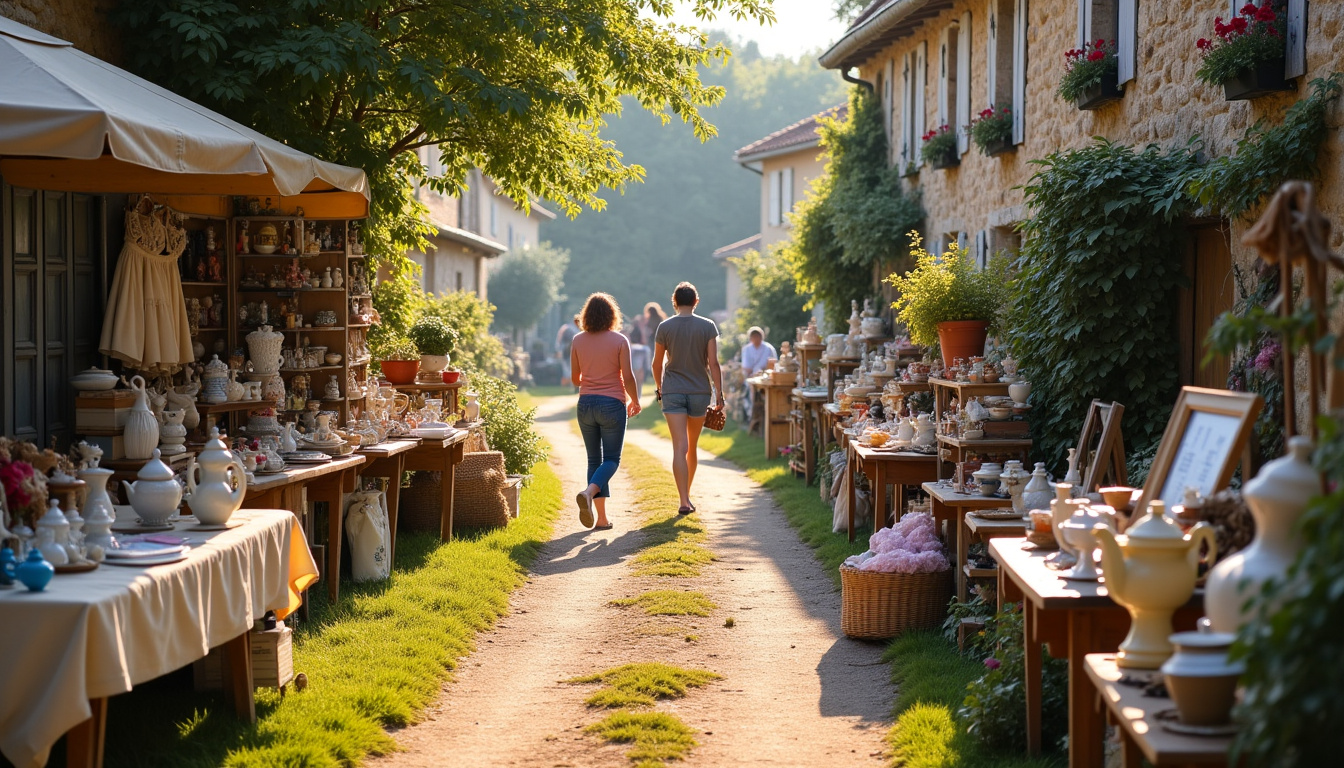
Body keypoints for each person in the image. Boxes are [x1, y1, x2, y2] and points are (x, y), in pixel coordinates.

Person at [651, 282, 724, 514]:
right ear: (696, 301)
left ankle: (683, 499)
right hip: (699, 392)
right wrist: (719, 394)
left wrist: (659, 387)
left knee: (678, 447)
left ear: (674, 301)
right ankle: (687, 496)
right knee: (691, 447)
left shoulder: (664, 327)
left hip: (672, 390)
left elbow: (656, 363)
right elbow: (713, 363)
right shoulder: (708, 326)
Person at [571, 294, 642, 530]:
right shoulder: (620, 340)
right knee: (611, 459)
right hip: (612, 404)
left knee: (594, 460)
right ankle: (589, 493)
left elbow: (575, 378)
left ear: (586, 316)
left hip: (585, 404)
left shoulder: (577, 340)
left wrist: (592, 375)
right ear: (612, 315)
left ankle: (601, 518)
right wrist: (635, 400)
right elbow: (629, 376)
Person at [739, 326, 777, 421]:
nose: (756, 339)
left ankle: (770, 413)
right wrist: (753, 373)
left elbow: (774, 363)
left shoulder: (768, 348)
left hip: (767, 376)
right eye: (754, 336)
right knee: (752, 390)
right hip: (751, 377)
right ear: (750, 338)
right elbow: (746, 367)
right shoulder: (747, 349)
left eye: (758, 336)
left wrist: (764, 371)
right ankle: (753, 415)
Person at [556, 314, 580, 388]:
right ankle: (571, 385)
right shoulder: (571, 329)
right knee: (570, 369)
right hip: (569, 352)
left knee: (568, 369)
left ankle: (571, 385)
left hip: (567, 352)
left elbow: (559, 342)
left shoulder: (566, 328)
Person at [627, 315, 650, 392]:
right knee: (636, 372)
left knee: (640, 372)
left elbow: (644, 342)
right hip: (634, 353)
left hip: (641, 353)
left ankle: (638, 391)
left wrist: (642, 328)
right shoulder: (632, 330)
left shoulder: (645, 329)